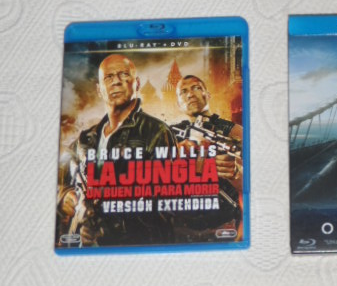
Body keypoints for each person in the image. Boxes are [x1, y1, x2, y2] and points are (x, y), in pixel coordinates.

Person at [59, 54, 177, 246]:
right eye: (109, 77)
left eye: (124, 74)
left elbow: (165, 204)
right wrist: (66, 197)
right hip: (84, 247)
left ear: (137, 84)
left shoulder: (156, 131)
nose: (116, 81)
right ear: (99, 90)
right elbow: (60, 177)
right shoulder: (86, 138)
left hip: (134, 247)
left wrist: (107, 227)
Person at [174, 74, 243, 234]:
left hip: (223, 224)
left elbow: (253, 181)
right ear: (178, 104)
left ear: (208, 95)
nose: (190, 94)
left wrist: (235, 172)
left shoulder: (234, 131)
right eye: (183, 91)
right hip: (180, 226)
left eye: (196, 88)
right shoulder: (172, 132)